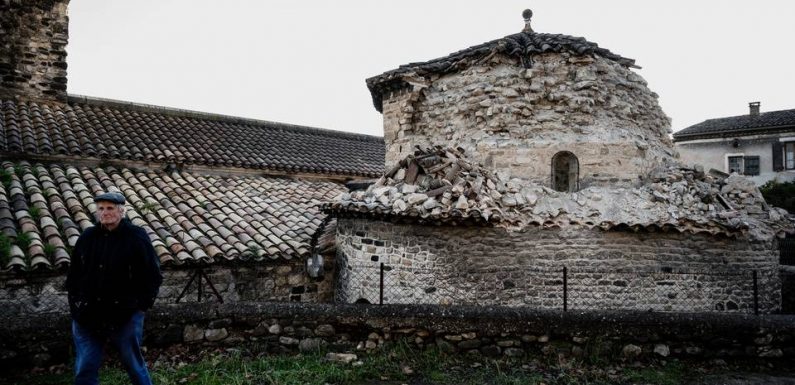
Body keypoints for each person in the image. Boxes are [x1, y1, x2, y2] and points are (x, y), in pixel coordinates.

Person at [65, 191, 163, 385]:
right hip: (87, 315)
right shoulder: (88, 237)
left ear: (121, 211)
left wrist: (141, 307)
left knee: (133, 365)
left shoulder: (136, 237)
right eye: (101, 208)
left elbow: (152, 275)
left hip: (124, 315)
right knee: (85, 368)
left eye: (110, 208)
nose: (105, 212)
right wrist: (75, 304)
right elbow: (74, 274)